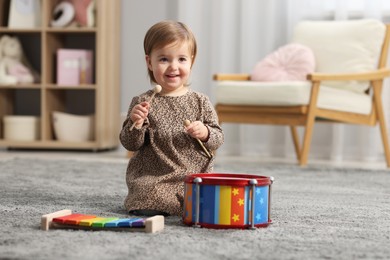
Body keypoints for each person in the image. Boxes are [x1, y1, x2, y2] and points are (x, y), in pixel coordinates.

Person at [120, 20, 224, 217]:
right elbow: (130, 143)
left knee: (210, 196)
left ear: (191, 61)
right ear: (149, 62)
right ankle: (163, 205)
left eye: (181, 59)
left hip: (193, 177)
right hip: (155, 177)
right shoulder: (142, 102)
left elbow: (218, 137)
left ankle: (185, 204)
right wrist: (137, 123)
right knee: (148, 193)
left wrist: (205, 132)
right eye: (164, 59)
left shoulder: (200, 101)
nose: (173, 67)